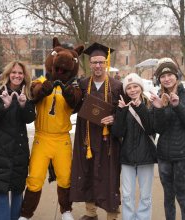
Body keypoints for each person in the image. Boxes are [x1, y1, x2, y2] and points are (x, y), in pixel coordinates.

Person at [18, 38, 83, 220]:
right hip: (42, 138)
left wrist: (69, 92)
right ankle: (25, 213)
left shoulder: (73, 86)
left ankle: (66, 210)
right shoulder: (40, 80)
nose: (61, 69)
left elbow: (76, 101)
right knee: (35, 177)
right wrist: (43, 89)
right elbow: (34, 93)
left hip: (61, 138)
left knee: (65, 176)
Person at [70, 42, 123, 220]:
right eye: (94, 62)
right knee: (87, 173)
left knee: (109, 176)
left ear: (106, 63)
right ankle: (90, 213)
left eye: (101, 62)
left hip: (108, 139)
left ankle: (112, 215)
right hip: (86, 138)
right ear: (90, 64)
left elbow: (124, 112)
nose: (98, 65)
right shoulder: (83, 84)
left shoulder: (117, 86)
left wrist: (115, 118)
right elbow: (74, 106)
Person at [0, 61, 35, 220]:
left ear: (24, 76)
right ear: (8, 74)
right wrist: (4, 106)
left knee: (18, 188)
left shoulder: (27, 92)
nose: (17, 75)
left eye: (20, 73)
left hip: (19, 149)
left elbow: (30, 118)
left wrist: (24, 105)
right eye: (14, 72)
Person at [150, 58, 185, 220]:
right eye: (162, 76)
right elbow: (157, 129)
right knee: (168, 198)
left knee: (183, 197)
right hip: (164, 156)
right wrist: (159, 109)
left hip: (183, 156)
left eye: (170, 74)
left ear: (176, 76)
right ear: (159, 80)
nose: (167, 79)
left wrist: (178, 105)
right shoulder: (158, 99)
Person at [112, 73, 157, 220]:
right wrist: (121, 111)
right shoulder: (124, 105)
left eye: (135, 86)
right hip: (127, 158)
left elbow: (152, 129)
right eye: (129, 88)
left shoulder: (150, 104)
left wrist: (141, 108)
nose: (132, 90)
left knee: (145, 195)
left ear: (141, 87)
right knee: (127, 195)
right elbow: (117, 132)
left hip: (146, 157)